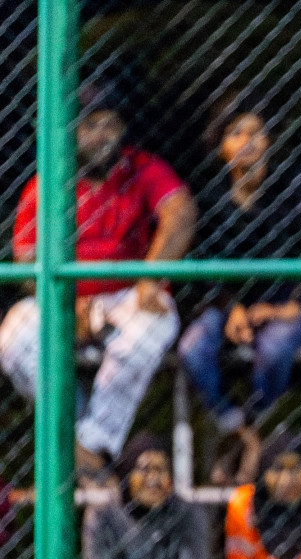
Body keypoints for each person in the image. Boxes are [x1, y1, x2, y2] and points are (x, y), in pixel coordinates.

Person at [1, 81, 196, 474]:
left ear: (122, 130)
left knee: (151, 328)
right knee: (13, 338)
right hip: (65, 298)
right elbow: (26, 258)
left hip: (129, 295)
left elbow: (181, 212)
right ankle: (73, 438)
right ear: (72, 133)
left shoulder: (142, 167)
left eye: (109, 125)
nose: (100, 136)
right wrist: (66, 304)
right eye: (89, 127)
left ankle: (92, 446)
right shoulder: (50, 181)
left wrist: (149, 279)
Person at [178, 95, 301, 457]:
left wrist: (292, 306)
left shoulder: (291, 186)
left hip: (284, 301)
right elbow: (200, 263)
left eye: (256, 132)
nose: (247, 141)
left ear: (269, 142)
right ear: (221, 148)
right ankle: (235, 425)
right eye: (235, 133)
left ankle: (260, 422)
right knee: (193, 348)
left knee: (274, 348)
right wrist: (229, 308)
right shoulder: (212, 196)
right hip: (231, 303)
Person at [82, 432, 208, 559]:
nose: (153, 479)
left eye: (161, 470)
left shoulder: (187, 514)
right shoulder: (104, 516)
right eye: (144, 469)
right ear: (128, 474)